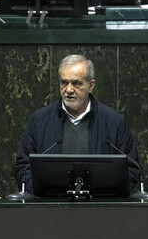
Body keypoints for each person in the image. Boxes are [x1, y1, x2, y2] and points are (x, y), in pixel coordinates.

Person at [13, 54, 140, 194]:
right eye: (64, 83)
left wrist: (104, 194)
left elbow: (131, 168)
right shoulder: (39, 121)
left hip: (99, 205)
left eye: (76, 83)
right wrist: (46, 192)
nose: (69, 90)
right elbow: (22, 167)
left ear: (91, 85)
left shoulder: (114, 122)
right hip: (51, 204)